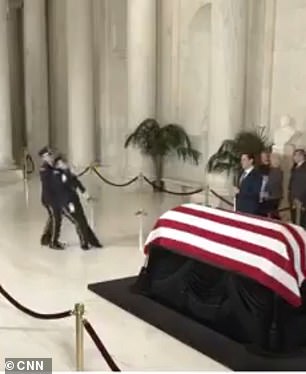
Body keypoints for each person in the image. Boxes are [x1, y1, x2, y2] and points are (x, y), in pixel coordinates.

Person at [54, 155, 103, 250]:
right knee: (78, 222)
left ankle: (93, 241)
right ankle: (84, 242)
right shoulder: (58, 175)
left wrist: (87, 196)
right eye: (61, 163)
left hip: (74, 200)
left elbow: (78, 184)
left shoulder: (69, 173)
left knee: (83, 221)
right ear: (57, 165)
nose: (64, 164)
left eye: (64, 162)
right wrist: (68, 203)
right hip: (67, 202)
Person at [39, 146, 65, 250]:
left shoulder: (52, 167)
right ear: (43, 158)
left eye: (51, 154)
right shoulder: (45, 169)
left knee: (53, 218)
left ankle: (46, 238)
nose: (51, 157)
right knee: (56, 219)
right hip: (49, 198)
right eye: (48, 155)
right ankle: (53, 242)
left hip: (53, 197)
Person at [288, 149, 306, 228]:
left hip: (301, 200)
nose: (293, 157)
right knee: (294, 221)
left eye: (295, 155)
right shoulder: (294, 166)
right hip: (293, 198)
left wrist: (302, 199)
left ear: (301, 156)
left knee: (302, 223)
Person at [265, 153, 283, 219]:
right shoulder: (273, 170)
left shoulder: (277, 171)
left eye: (271, 159)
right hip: (273, 195)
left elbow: (272, 183)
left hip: (273, 196)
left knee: (272, 215)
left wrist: (266, 191)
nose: (270, 160)